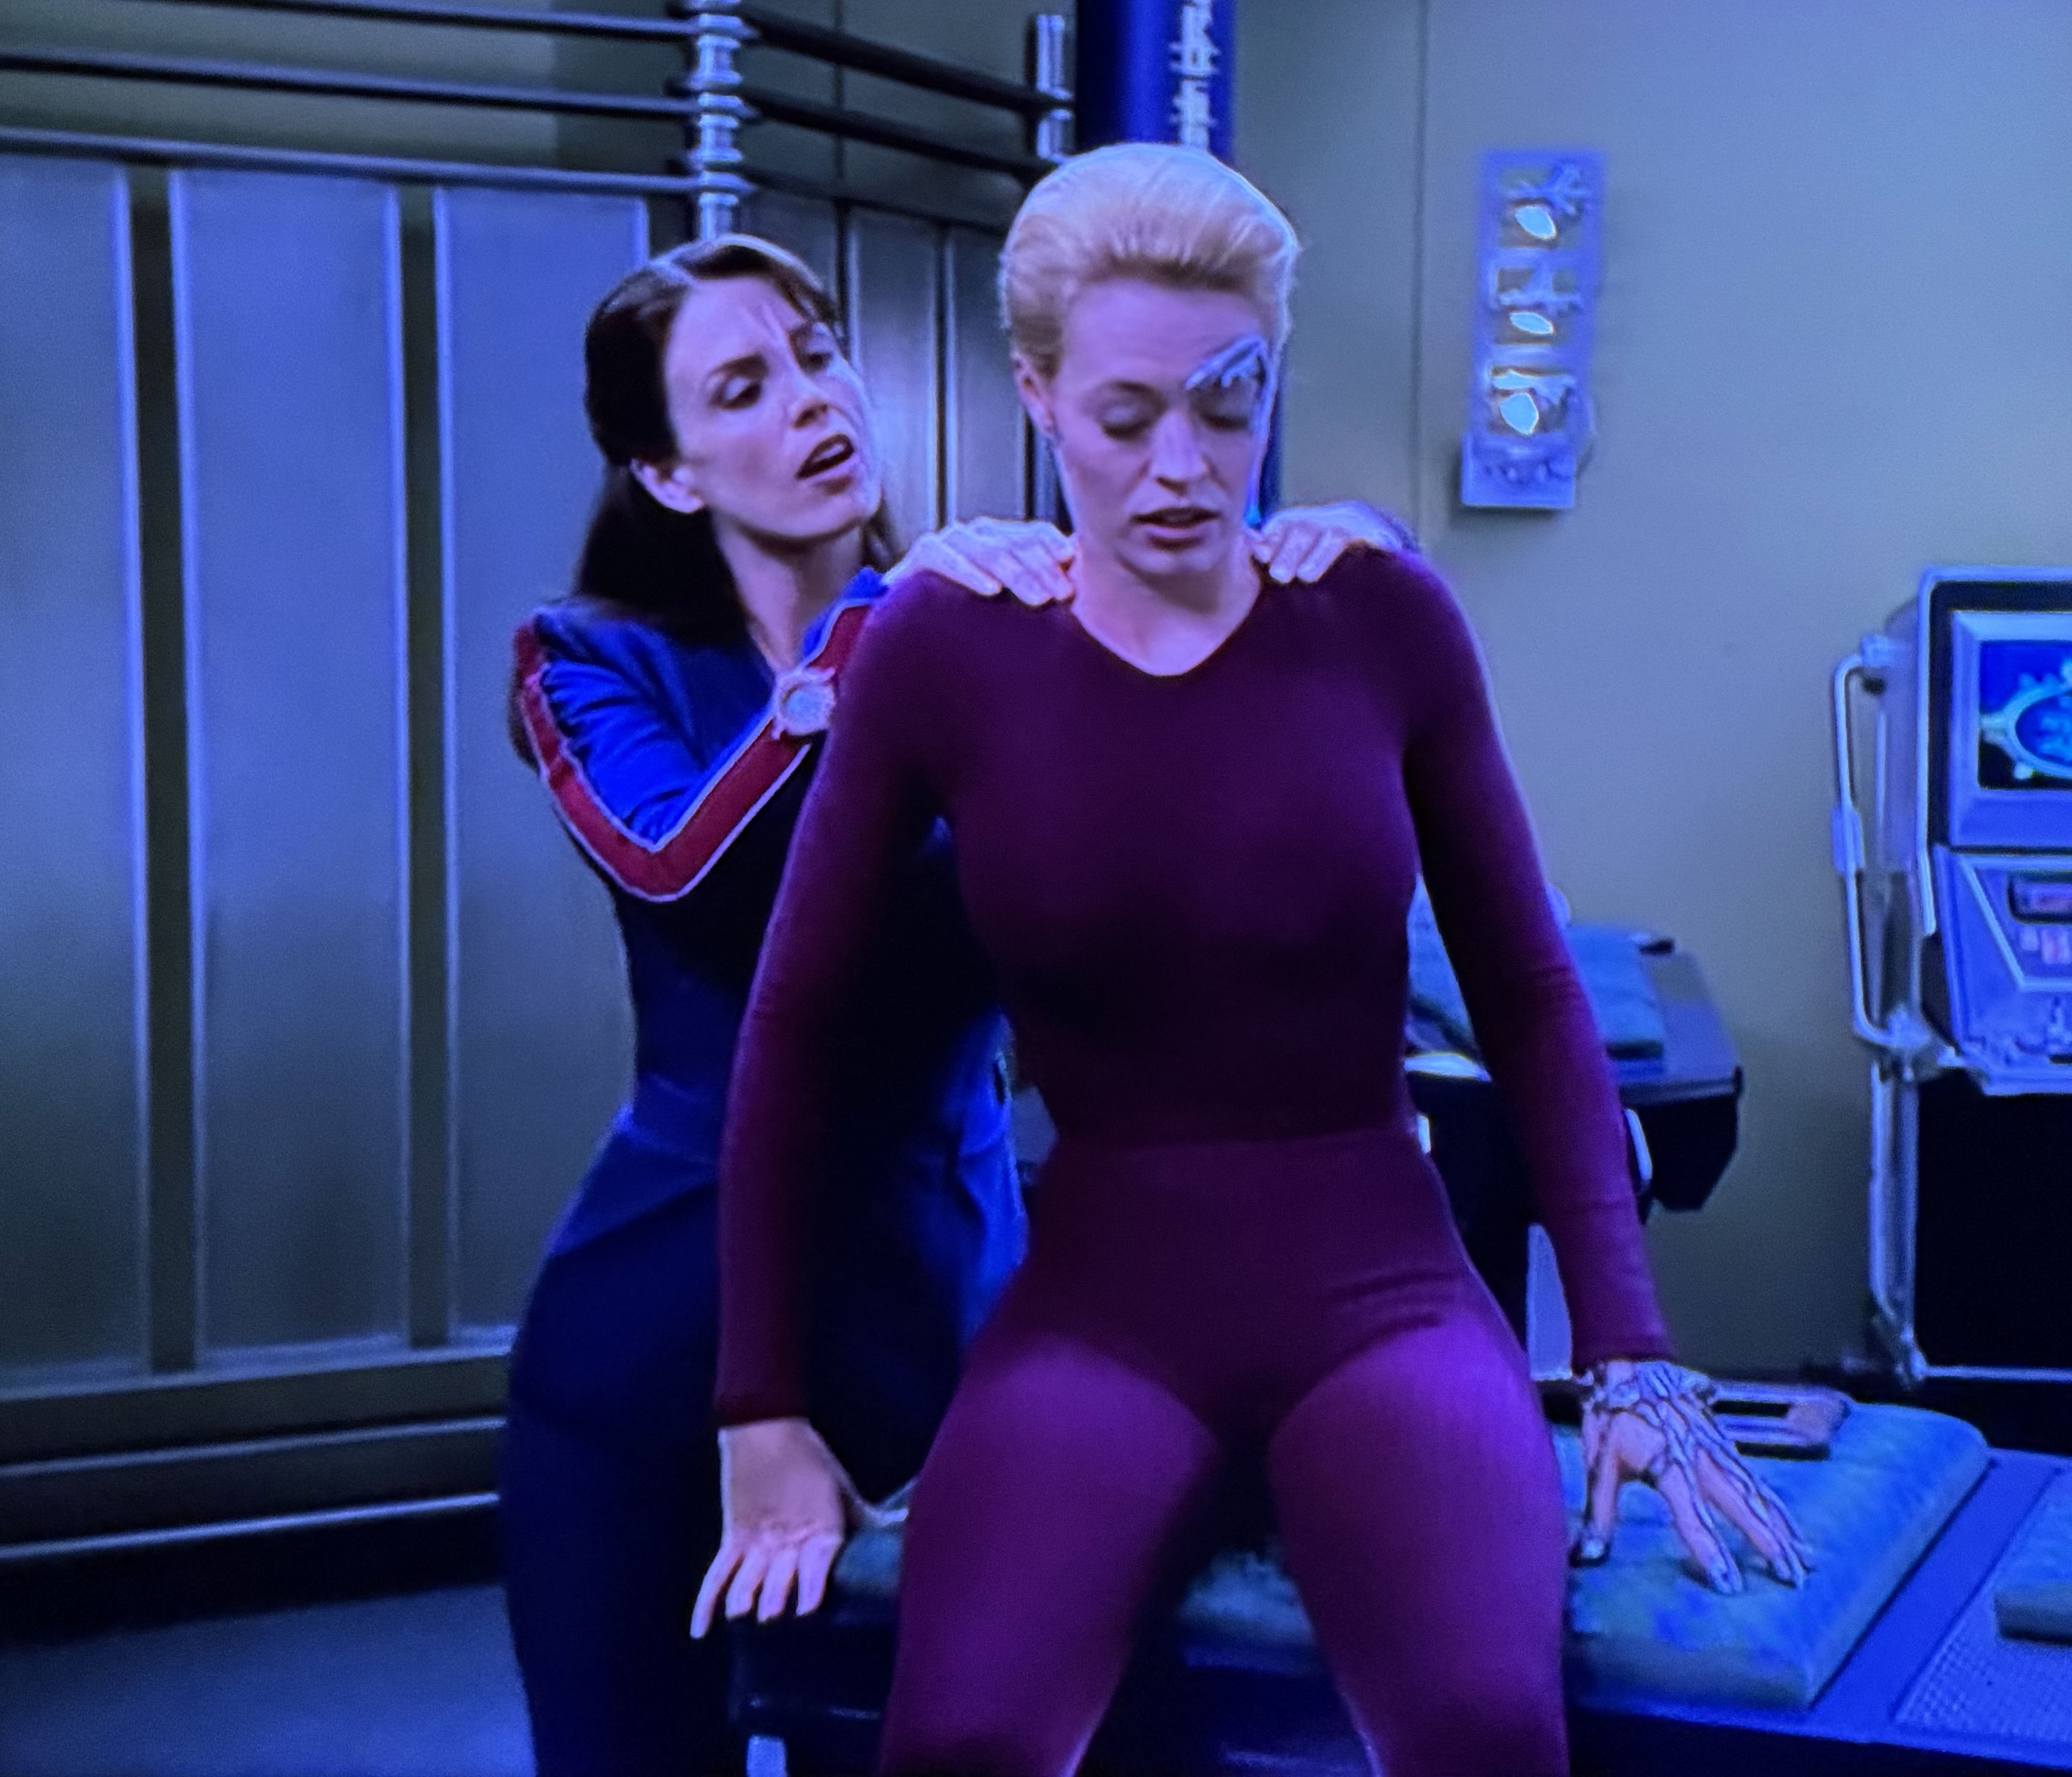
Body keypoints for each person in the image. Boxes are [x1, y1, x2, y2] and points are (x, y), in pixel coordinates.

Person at [696, 151, 1811, 1777]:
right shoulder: (944, 645)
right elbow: (792, 1027)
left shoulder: (1378, 619)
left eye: (1227, 407)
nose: (1180, 465)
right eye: (1123, 416)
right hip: (1095, 1324)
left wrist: (1628, 1349)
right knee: (964, 1744)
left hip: (1386, 1307)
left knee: (1485, 1732)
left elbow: (1525, 991)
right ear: (1038, 395)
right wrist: (759, 1409)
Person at [498, 230, 1404, 1777]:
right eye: (743, 386)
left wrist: (1306, 589)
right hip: (655, 1339)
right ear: (664, 471)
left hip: (942, 1323)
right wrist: (875, 639)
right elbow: (678, 869)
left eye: (816, 353)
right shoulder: (590, 657)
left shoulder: (1005, 637)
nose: (813, 398)